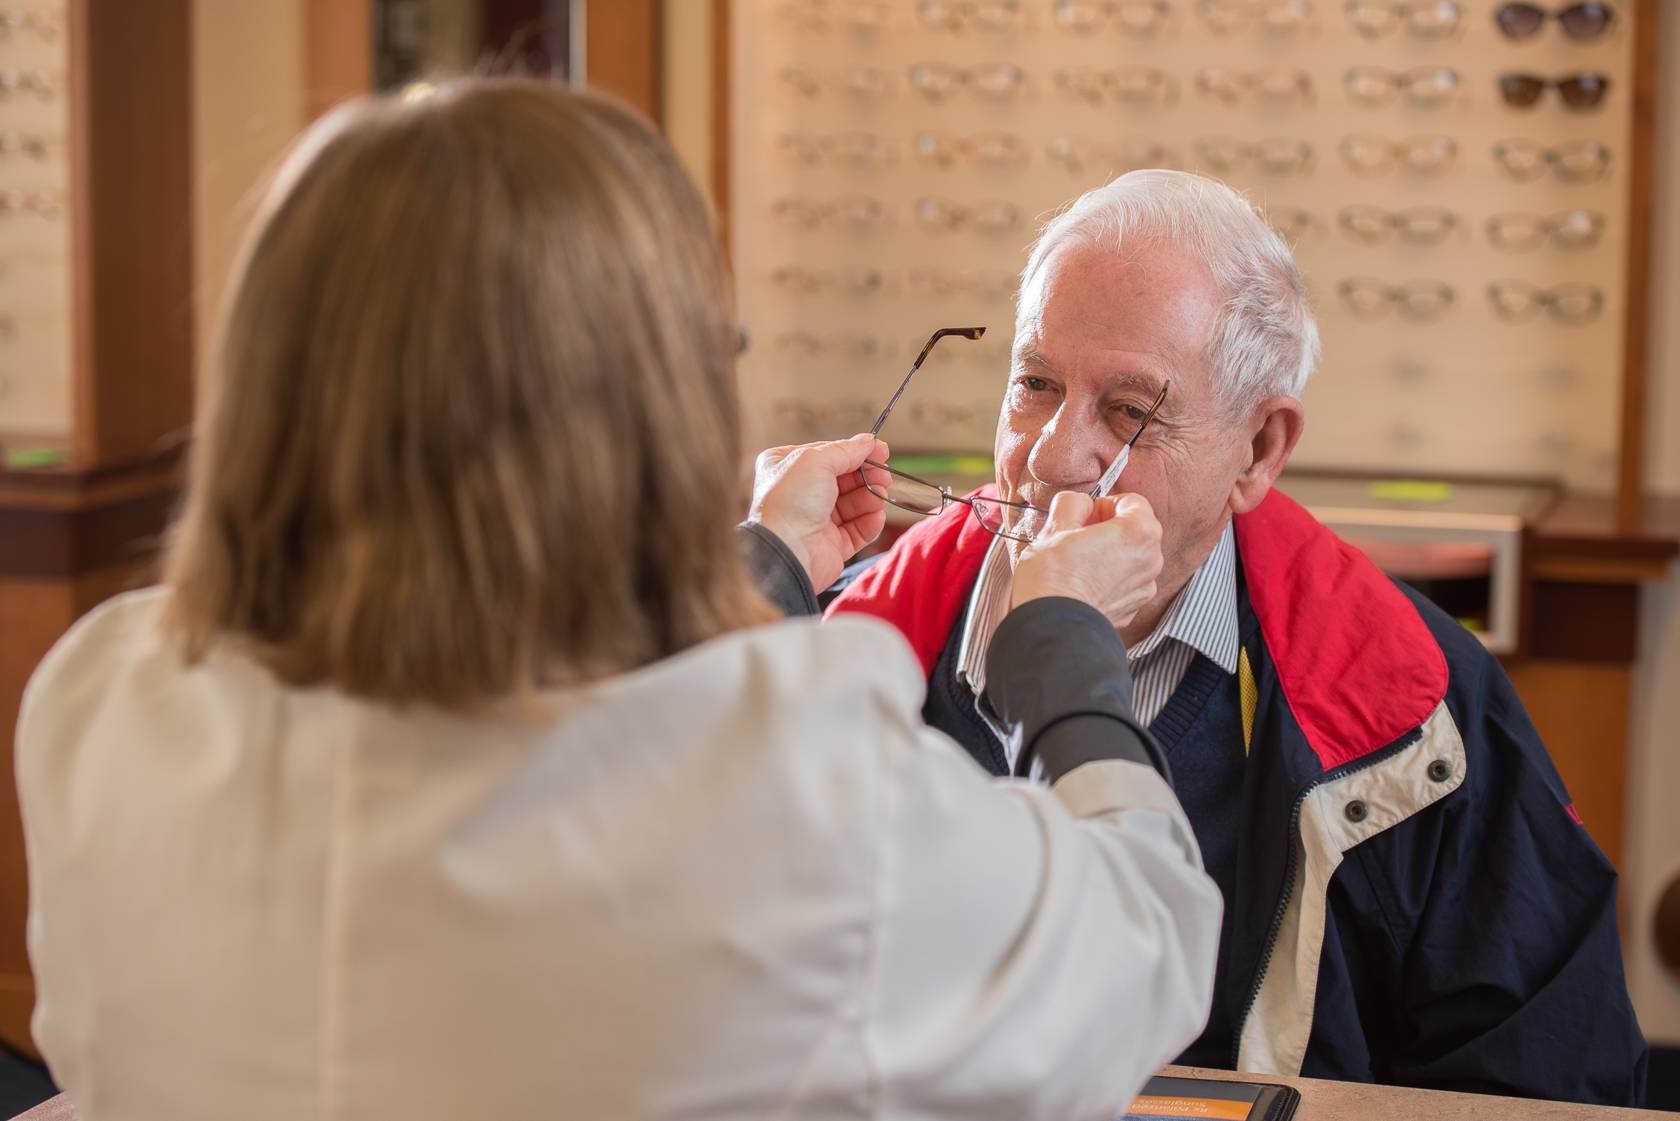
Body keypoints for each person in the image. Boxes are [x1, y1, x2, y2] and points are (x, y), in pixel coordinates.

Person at [14, 81, 1222, 1121]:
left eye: (1128, 413)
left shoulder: (98, 700)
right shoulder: (798, 798)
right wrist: (1062, 650)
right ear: (659, 409)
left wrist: (756, 566)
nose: (1061, 453)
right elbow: (1150, 946)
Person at [828, 169, 1649, 1105]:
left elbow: (1548, 1085)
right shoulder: (845, 651)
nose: (1054, 453)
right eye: (1035, 383)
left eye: (1131, 412)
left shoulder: (1419, 708)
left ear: (1259, 451)